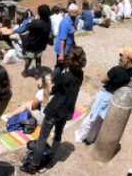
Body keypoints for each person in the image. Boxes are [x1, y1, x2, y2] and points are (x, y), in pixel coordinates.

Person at [22, 45, 86, 174]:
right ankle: (52, 159)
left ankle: (34, 165)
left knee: (42, 137)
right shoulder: (80, 74)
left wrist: (45, 81)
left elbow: (50, 86)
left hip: (55, 110)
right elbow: (63, 89)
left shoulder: (65, 76)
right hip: (67, 110)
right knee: (58, 135)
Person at [75, 46, 132, 144]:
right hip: (114, 96)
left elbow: (103, 79)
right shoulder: (130, 72)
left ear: (126, 58)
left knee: (92, 116)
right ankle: (90, 138)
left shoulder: (116, 70)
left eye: (121, 55)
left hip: (105, 95)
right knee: (99, 120)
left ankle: (80, 136)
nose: (119, 57)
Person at [21, 5, 52, 78]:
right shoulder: (48, 22)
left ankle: (25, 71)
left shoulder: (36, 23)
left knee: (29, 58)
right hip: (41, 45)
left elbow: (27, 26)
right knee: (38, 58)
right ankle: (37, 74)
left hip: (32, 44)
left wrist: (35, 19)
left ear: (40, 13)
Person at [54, 4, 79, 76]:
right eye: (73, 13)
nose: (75, 14)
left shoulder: (72, 19)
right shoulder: (65, 23)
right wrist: (61, 54)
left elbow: (71, 34)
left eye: (76, 13)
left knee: (69, 62)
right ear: (69, 12)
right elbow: (62, 39)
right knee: (59, 67)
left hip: (68, 46)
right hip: (63, 49)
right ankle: (52, 79)